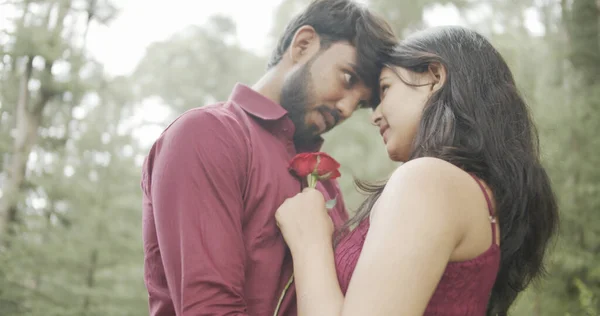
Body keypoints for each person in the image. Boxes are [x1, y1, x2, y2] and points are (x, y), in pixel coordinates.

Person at [275, 26, 559, 316]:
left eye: (385, 88)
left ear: (435, 77)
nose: (375, 115)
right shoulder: (470, 193)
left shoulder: (428, 180)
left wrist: (310, 244)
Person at [140, 0, 397, 315]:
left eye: (359, 104)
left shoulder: (326, 187)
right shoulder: (207, 135)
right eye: (347, 79)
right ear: (303, 45)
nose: (345, 108)